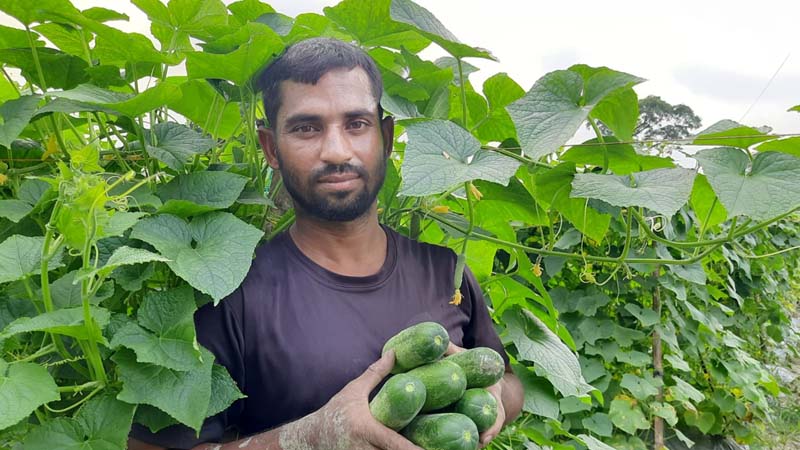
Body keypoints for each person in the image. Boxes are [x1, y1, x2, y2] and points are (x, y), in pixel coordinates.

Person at [129, 37, 523, 450]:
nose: (336, 151)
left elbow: (510, 382)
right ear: (271, 148)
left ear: (386, 138)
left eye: (357, 124)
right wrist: (310, 438)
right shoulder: (229, 294)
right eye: (306, 128)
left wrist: (496, 399)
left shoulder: (447, 272)